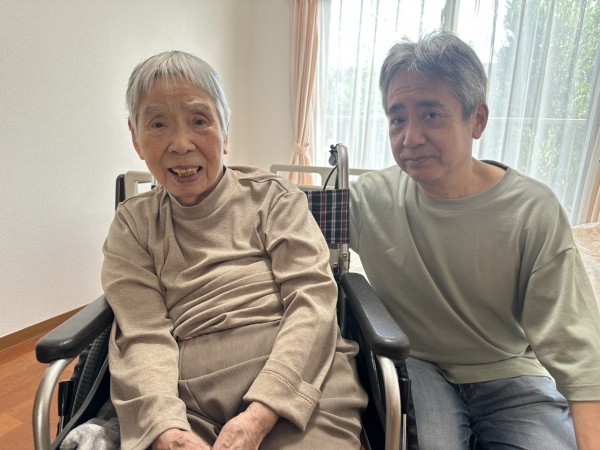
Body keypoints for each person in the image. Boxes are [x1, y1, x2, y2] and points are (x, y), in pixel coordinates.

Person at [102, 50, 367, 450]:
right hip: (187, 399)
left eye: (199, 121)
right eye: (157, 124)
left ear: (225, 132)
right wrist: (164, 428)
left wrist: (261, 413)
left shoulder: (274, 199)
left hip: (300, 382)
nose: (181, 144)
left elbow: (312, 302)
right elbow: (144, 335)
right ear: (136, 138)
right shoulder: (133, 224)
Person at [349, 32, 600, 450]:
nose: (410, 138)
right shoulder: (368, 199)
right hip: (420, 365)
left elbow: (574, 342)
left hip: (510, 370)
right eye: (397, 119)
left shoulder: (531, 210)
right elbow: (280, 215)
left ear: (477, 119)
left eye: (431, 115)